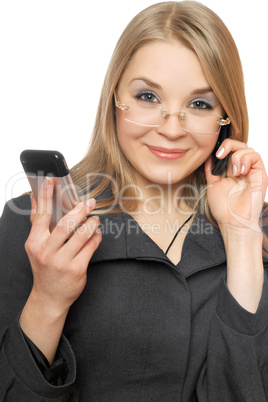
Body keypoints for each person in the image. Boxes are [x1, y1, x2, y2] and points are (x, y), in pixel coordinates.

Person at [0, 1, 268, 400]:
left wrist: (242, 238)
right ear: (114, 98)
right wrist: (48, 299)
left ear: (224, 117)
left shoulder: (254, 229)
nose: (172, 129)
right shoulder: (37, 225)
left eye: (199, 104)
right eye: (147, 97)